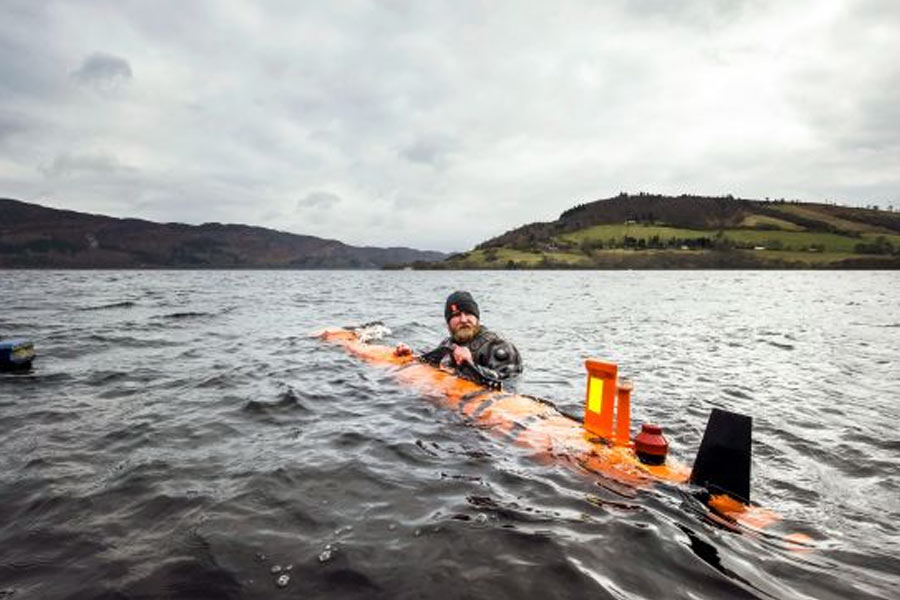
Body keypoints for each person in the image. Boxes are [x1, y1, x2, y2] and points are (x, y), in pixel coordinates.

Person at [395, 290, 522, 382]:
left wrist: (470, 364)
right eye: (456, 315)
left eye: (469, 314)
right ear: (448, 322)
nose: (463, 319)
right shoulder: (448, 344)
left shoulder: (498, 346)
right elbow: (431, 359)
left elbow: (508, 383)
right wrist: (411, 354)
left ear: (477, 318)